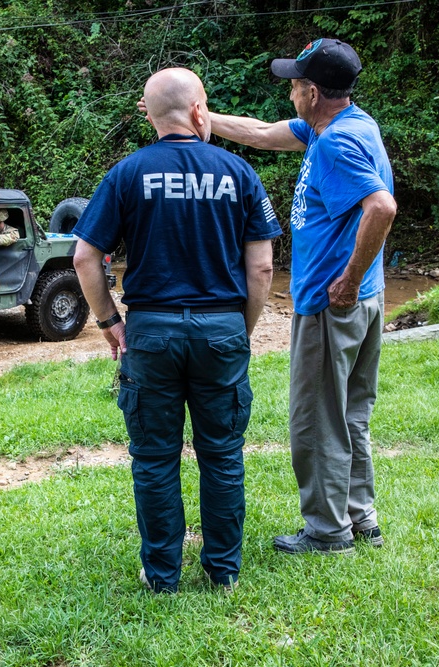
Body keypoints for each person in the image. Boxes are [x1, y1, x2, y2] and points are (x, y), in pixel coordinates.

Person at [74, 67, 280, 593]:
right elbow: (261, 268)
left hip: (152, 332)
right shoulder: (239, 173)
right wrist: (241, 327)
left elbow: (85, 258)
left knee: (155, 459)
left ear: (151, 114)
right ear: (198, 110)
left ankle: (163, 575)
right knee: (222, 455)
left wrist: (109, 323)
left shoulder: (126, 174)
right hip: (221, 330)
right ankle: (223, 572)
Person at [208, 38, 397, 555]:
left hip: (332, 304)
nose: (290, 94)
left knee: (315, 419)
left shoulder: (335, 144)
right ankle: (361, 517)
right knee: (349, 414)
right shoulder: (347, 125)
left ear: (312, 92)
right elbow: (264, 134)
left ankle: (327, 531)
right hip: (364, 302)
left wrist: (350, 278)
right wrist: (208, 117)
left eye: (294, 86)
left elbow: (381, 207)